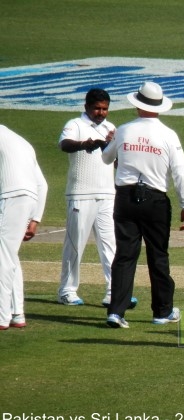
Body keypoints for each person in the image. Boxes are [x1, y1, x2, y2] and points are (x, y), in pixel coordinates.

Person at [101, 81, 184, 329]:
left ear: (137, 104)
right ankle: (162, 311)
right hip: (155, 200)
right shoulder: (168, 135)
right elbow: (180, 173)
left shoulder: (123, 130)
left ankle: (116, 312)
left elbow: (106, 157)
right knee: (158, 256)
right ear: (159, 107)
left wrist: (114, 143)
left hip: (125, 198)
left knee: (125, 255)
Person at [57, 88, 137, 309]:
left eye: (105, 109)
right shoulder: (75, 124)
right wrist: (85, 144)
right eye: (97, 108)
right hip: (80, 193)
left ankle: (114, 292)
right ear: (86, 107)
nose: (101, 113)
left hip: (107, 194)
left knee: (110, 244)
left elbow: (118, 161)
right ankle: (67, 290)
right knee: (75, 244)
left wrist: (114, 147)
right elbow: (64, 144)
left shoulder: (112, 128)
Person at [0, 125, 48, 329]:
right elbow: (43, 184)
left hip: (11, 196)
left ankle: (1, 317)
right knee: (10, 254)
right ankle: (17, 313)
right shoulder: (22, 141)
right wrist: (35, 218)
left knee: (2, 255)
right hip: (28, 198)